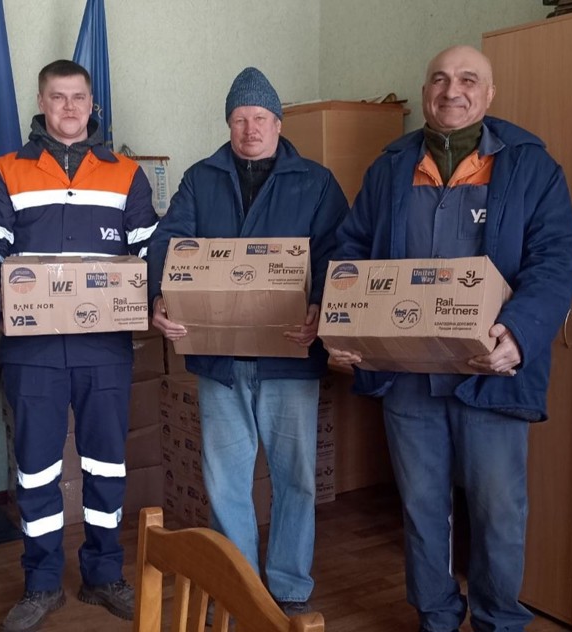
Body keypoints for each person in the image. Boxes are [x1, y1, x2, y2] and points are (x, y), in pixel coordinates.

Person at [328, 45, 572, 632]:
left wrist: (520, 332)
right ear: (425, 92)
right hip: (408, 373)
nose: (452, 90)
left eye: (469, 80)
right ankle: (437, 617)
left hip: (489, 370)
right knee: (421, 509)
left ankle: (499, 621)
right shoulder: (391, 166)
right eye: (439, 79)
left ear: (489, 95)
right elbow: (350, 251)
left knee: (497, 512)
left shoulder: (530, 167)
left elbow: (556, 261)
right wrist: (345, 323)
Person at [146, 67, 349, 616]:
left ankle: (286, 584)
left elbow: (339, 253)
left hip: (290, 356)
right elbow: (167, 242)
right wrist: (158, 298)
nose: (249, 129)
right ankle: (236, 583)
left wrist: (320, 307)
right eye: (239, 119)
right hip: (219, 359)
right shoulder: (201, 178)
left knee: (295, 478)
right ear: (228, 124)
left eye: (259, 118)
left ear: (278, 123)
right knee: (226, 481)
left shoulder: (315, 182)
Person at [0, 59, 159, 632]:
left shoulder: (127, 173)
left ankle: (104, 576)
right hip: (33, 352)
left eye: (79, 97)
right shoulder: (6, 170)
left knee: (107, 465)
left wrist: (158, 300)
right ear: (41, 101)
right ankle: (42, 583)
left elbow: (151, 255)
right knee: (35, 471)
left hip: (105, 346)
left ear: (92, 104)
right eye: (59, 98)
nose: (70, 108)